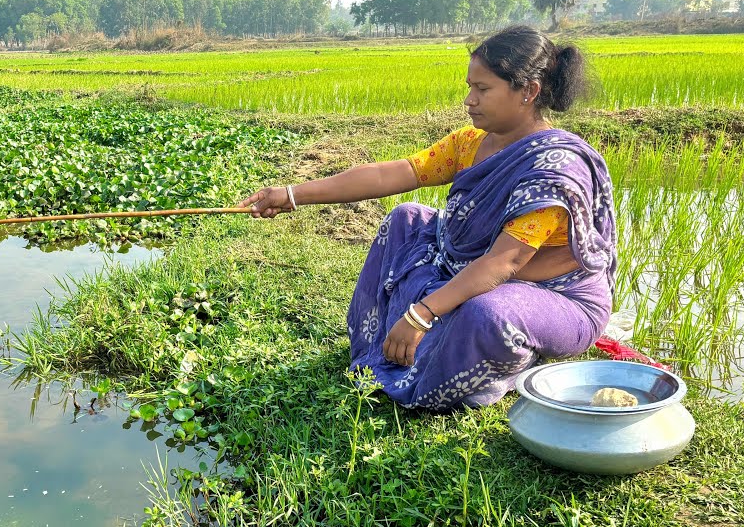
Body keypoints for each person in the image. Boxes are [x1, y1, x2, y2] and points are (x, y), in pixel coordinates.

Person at [237, 26, 616, 411]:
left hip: (556, 297)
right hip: (479, 272)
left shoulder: (552, 171)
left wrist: (421, 313)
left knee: (486, 314)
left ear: (529, 92)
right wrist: (291, 194)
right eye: (470, 87)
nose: (470, 100)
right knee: (405, 219)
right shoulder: (470, 144)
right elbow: (393, 174)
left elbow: (505, 262)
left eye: (483, 90)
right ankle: (395, 344)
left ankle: (502, 362)